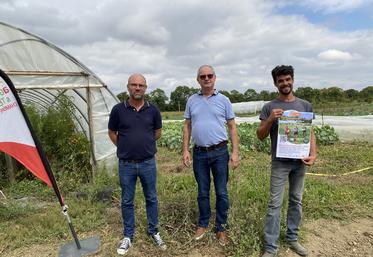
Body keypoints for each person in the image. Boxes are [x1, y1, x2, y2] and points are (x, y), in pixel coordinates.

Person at [257, 65, 316, 257]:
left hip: (300, 161)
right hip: (280, 162)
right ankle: (271, 247)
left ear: (293, 80)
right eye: (281, 80)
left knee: (296, 200)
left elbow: (310, 132)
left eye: (288, 79)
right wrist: (270, 120)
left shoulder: (304, 105)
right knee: (275, 204)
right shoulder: (269, 107)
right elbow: (260, 135)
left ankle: (292, 238)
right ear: (276, 84)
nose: (285, 83)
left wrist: (313, 153)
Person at [108, 74, 166, 255]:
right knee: (127, 200)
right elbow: (112, 132)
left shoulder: (153, 110)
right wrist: (125, 146)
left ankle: (154, 231)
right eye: (134, 85)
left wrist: (143, 145)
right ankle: (128, 235)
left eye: (141, 85)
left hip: (148, 163)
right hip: (126, 164)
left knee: (151, 198)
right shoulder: (118, 110)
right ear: (128, 87)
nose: (137, 88)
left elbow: (157, 133)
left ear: (146, 88)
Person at [182, 65, 240, 246]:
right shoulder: (191, 100)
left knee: (222, 191)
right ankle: (203, 223)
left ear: (215, 78)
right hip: (199, 153)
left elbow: (232, 127)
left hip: (220, 152)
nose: (206, 78)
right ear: (197, 80)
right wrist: (184, 150)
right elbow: (187, 126)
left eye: (209, 75)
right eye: (202, 76)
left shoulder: (224, 100)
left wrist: (235, 152)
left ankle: (221, 228)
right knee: (202, 191)